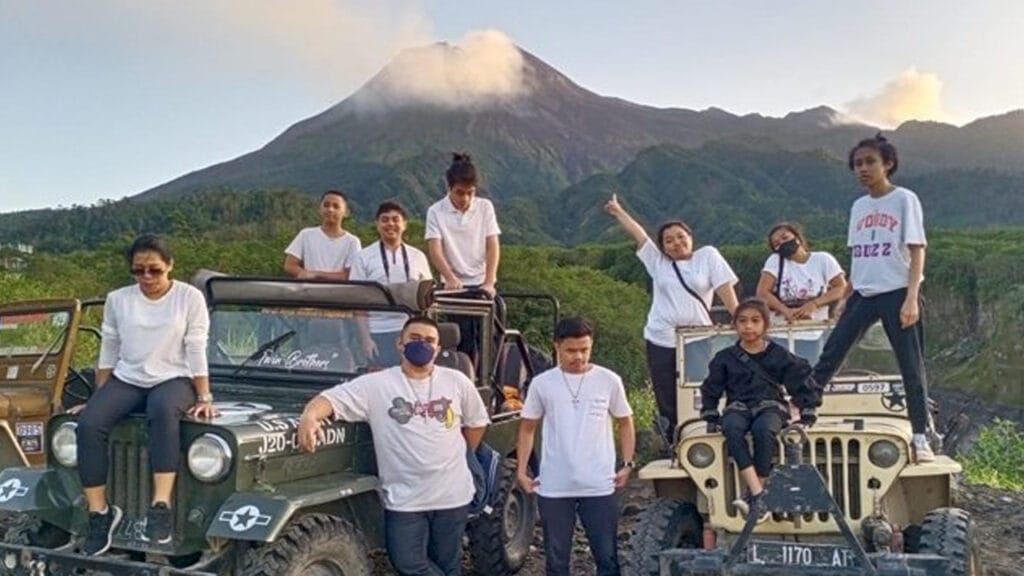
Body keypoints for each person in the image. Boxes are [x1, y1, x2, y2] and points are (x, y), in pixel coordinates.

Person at [297, 316, 489, 576]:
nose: (422, 345)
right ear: (400, 344)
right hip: (404, 498)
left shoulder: (457, 382)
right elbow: (330, 399)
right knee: (407, 563)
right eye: (415, 339)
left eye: (429, 340)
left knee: (448, 563)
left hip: (452, 495)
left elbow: (477, 424)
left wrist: (455, 452)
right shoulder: (376, 385)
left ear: (438, 347)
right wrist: (310, 416)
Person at [73, 234, 215, 555]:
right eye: (139, 271)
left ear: (170, 266)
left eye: (155, 270)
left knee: (163, 411)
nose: (147, 278)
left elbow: (195, 347)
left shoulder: (189, 298)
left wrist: (204, 396)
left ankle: (160, 506)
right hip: (129, 376)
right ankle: (99, 513)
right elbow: (109, 349)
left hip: (174, 377)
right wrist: (99, 397)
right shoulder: (118, 299)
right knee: (89, 424)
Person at [811, 134, 934, 462]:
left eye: (870, 162)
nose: (862, 169)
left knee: (911, 366)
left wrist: (912, 297)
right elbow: (860, 256)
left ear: (887, 164)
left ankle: (920, 436)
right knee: (831, 353)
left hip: (896, 292)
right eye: (857, 164)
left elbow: (917, 250)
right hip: (863, 293)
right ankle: (804, 409)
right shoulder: (859, 207)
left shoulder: (904, 199)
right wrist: (845, 294)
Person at [604, 193, 739, 443]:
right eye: (668, 240)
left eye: (680, 236)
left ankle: (703, 435)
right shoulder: (659, 263)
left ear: (691, 237)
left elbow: (724, 288)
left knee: (702, 387)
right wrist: (618, 211)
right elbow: (639, 235)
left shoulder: (708, 256)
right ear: (663, 247)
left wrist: (740, 319)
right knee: (666, 391)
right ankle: (673, 440)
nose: (676, 243)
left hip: (697, 336)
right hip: (661, 337)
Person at [516, 317, 635, 576]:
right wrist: (522, 470)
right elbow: (527, 427)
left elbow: (625, 422)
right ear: (557, 346)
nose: (578, 356)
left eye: (585, 349)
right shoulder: (542, 383)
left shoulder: (609, 380)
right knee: (557, 563)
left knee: (607, 558)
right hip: (555, 486)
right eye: (571, 350)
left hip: (600, 484)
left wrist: (627, 464)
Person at [700, 299, 818, 517]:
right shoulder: (724, 358)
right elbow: (711, 387)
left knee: (764, 430)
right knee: (732, 430)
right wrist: (711, 412)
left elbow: (800, 379)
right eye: (742, 321)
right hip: (738, 406)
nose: (748, 326)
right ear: (734, 325)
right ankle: (758, 492)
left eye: (755, 321)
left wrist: (807, 409)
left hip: (770, 405)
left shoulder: (779, 355)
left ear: (765, 325)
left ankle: (757, 495)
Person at [350, 201, 433, 367]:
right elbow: (357, 302)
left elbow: (427, 298)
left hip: (409, 331)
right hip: (377, 330)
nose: (390, 224)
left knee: (410, 376)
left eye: (396, 219)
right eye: (385, 219)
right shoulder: (363, 257)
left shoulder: (417, 256)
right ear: (377, 224)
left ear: (404, 224)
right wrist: (366, 339)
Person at [755, 222, 846, 361]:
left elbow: (841, 287)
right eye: (777, 244)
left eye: (785, 237)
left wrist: (815, 304)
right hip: (781, 331)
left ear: (796, 237)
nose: (782, 243)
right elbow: (762, 292)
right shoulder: (775, 261)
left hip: (813, 331)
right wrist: (786, 310)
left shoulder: (823, 259)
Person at [425, 153, 501, 297]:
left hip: (482, 282)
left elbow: (492, 245)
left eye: (470, 193)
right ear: (449, 188)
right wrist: (449, 277)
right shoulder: (435, 211)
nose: (465, 198)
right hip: (453, 284)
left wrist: (489, 281)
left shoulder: (485, 207)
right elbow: (435, 250)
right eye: (459, 193)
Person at [283, 189, 362, 280]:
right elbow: (289, 265)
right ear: (320, 209)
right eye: (326, 205)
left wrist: (316, 274)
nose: (330, 209)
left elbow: (350, 274)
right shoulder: (306, 235)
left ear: (346, 212)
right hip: (309, 290)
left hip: (339, 292)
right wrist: (303, 273)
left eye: (336, 206)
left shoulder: (352, 242)